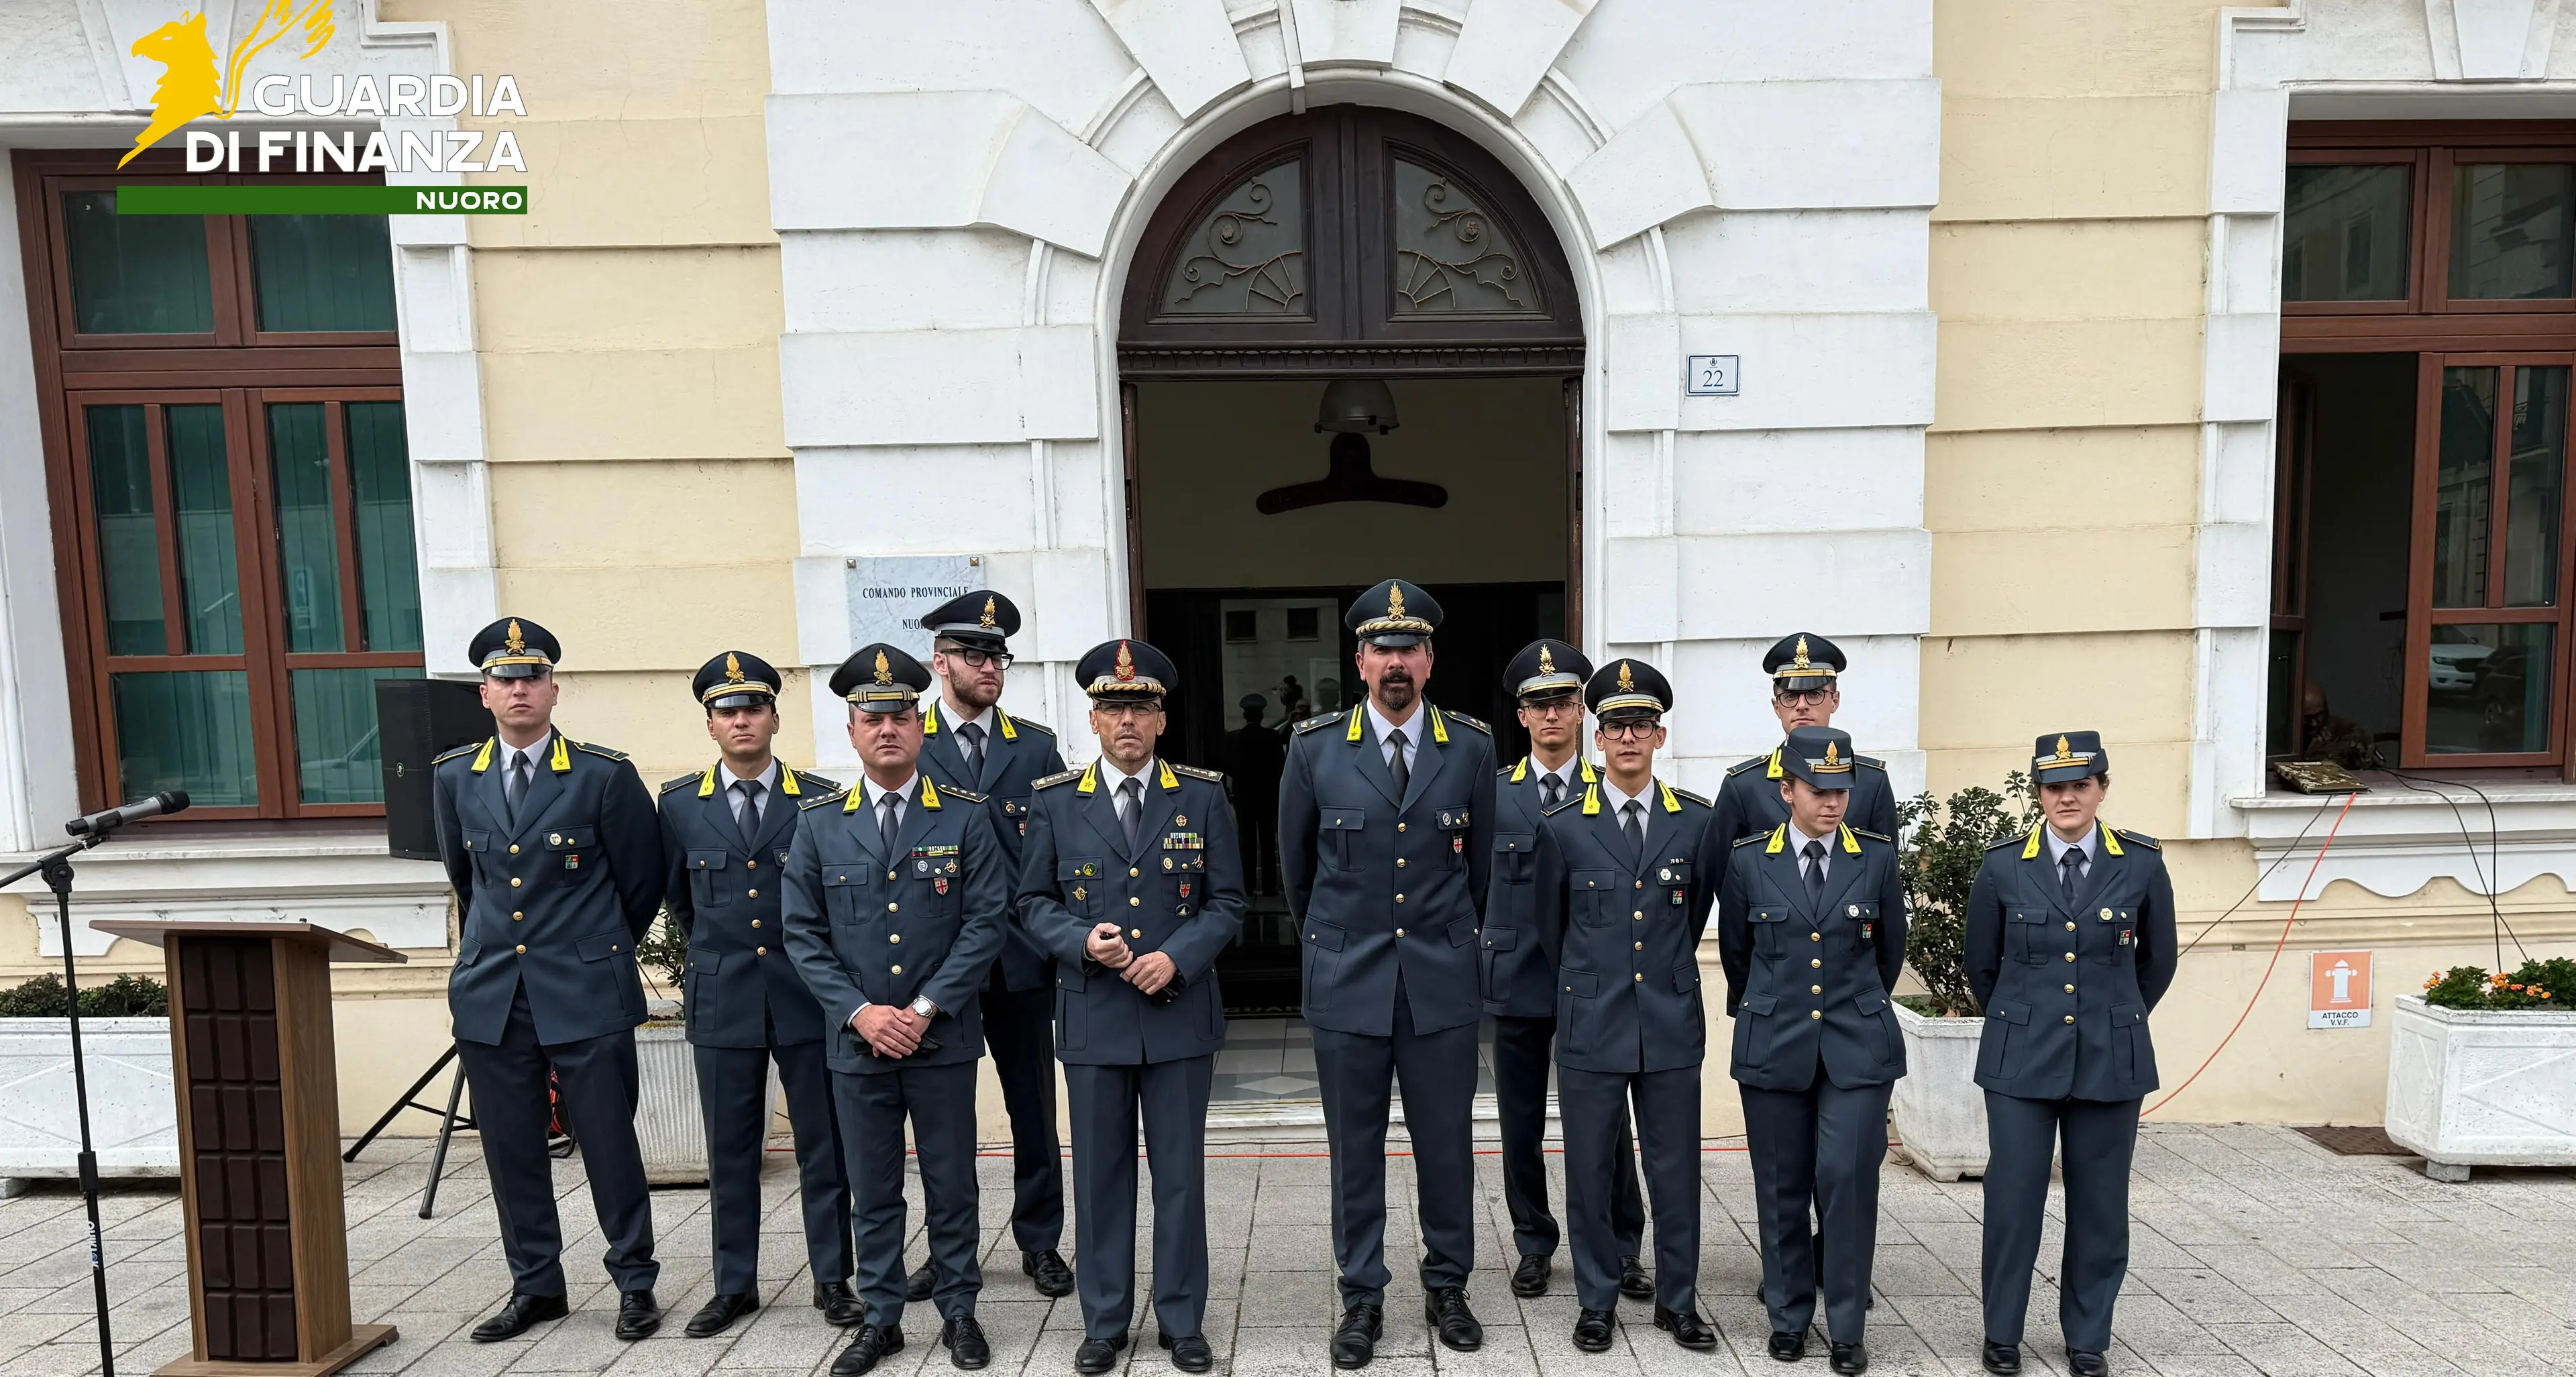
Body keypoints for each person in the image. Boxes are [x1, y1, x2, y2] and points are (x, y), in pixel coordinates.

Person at [1277, 578, 1497, 1369]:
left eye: (1410, 648)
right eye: (1382, 649)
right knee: (1355, 1148)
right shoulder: (1314, 747)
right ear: (1360, 661)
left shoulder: (1470, 747)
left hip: (1440, 980)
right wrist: (1337, 946)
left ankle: (1448, 1285)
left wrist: (1448, 944)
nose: (1396, 662)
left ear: (1430, 660)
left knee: (1446, 1144)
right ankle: (1362, 1295)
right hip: (1349, 980)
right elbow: (1297, 875)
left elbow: (1480, 875)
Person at [432, 617, 666, 1343]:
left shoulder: (602, 775)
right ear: (484, 693)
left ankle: (635, 1281)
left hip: (586, 989)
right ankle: (536, 1285)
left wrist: (591, 950)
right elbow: (467, 879)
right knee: (511, 1151)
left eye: (532, 676)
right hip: (495, 994)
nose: (519, 689)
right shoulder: (454, 775)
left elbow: (641, 882)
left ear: (554, 689)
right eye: (504, 678)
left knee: (609, 1144)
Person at [1017, 639, 1246, 1374]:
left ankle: (1181, 1319)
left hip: (1179, 1015)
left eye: (1140, 708)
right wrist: (1083, 940)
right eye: (1113, 708)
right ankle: (1105, 1321)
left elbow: (1228, 901)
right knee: (1100, 1178)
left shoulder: (1202, 796)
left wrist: (1177, 955)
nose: (1126, 721)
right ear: (1092, 718)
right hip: (1095, 1015)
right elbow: (1031, 902)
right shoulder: (1056, 801)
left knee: (1179, 1177)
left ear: (1161, 718)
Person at [781, 645, 1009, 1375]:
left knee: (952, 1184)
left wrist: (924, 1006)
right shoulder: (819, 823)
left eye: (902, 717)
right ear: (852, 730)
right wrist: (860, 1013)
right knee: (873, 1189)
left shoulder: (965, 817)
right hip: (859, 1044)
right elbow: (802, 934)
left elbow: (986, 923)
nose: (888, 729)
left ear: (920, 727)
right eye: (872, 719)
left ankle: (960, 1309)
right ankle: (881, 1318)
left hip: (940, 1038)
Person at [655, 651, 859, 1336]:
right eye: (727, 710)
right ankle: (734, 1284)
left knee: (824, 1147)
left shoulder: (819, 798)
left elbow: (831, 902)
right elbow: (680, 901)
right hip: (724, 996)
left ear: (774, 717)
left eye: (753, 707)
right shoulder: (679, 804)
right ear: (710, 723)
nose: (741, 720)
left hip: (806, 996)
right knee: (731, 1149)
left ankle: (832, 1279)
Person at [1962, 733, 2178, 1377]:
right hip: (2020, 1059)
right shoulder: (2003, 865)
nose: (2067, 798)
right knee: (2013, 1199)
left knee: (2101, 1205)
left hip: (2110, 1057)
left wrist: (2111, 1016)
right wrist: (2024, 1019)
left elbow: (2158, 962)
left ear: (2102, 789)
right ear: (2039, 794)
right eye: (2054, 787)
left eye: (2080, 785)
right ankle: (2002, 1332)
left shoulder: (2140, 863)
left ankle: (2088, 1336)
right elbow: (1982, 964)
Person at [1528, 658, 1719, 1353]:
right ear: (1598, 737)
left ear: (1660, 735)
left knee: (1676, 1170)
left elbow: (1693, 915)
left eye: (1642, 724)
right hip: (1593, 1020)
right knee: (1590, 1170)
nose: (1629, 737)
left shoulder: (1695, 822)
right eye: (1616, 725)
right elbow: (1552, 929)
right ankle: (1597, 1301)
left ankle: (1678, 1301)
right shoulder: (1562, 827)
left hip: (1669, 1021)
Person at [1717, 725, 1908, 1375]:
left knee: (1847, 1178)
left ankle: (1848, 1326)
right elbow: (1738, 955)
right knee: (1781, 1183)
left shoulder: (1875, 857)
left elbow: (1889, 951)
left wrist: (1856, 1006)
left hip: (1858, 1045)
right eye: (1818, 789)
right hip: (1775, 1041)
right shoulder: (1749, 861)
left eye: (1841, 789)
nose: (1832, 801)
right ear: (1786, 790)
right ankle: (1789, 1317)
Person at [910, 591, 1073, 1302]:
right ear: (940, 662)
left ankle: (1040, 1240)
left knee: (1033, 1106)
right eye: (974, 655)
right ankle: (950, 1249)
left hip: (1019, 959)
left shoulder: (1033, 747)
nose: (990, 667)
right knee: (942, 1118)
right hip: (939, 964)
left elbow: (1060, 853)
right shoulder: (908, 738)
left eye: (998, 656)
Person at [1480, 639, 1652, 1304]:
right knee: (1521, 1122)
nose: (1551, 714)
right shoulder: (1492, 794)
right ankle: (1534, 1240)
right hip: (1518, 976)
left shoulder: (1611, 788)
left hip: (1595, 981)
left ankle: (1622, 1245)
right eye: (1538, 704)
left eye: (1563, 701)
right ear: (1521, 715)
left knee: (1609, 1125)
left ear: (1583, 711)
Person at [1711, 634, 1898, 848]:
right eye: (1790, 696)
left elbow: (1886, 865)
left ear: (1835, 701)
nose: (1801, 705)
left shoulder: (1871, 783)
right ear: (1776, 707)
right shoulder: (1743, 787)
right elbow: (1719, 867)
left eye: (1815, 694)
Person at [1223, 693, 1287, 895]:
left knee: (1246, 843)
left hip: (1245, 797)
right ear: (1261, 715)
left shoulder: (1235, 739)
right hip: (1267, 797)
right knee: (1268, 842)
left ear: (1245, 715)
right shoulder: (1272, 738)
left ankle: (1248, 885)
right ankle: (1269, 886)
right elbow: (1281, 767)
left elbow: (1228, 767)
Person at [2295, 685, 2379, 770]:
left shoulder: (2349, 733)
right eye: (2307, 718)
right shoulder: (2290, 737)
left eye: (2318, 715)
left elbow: (2376, 772)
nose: (2314, 723)